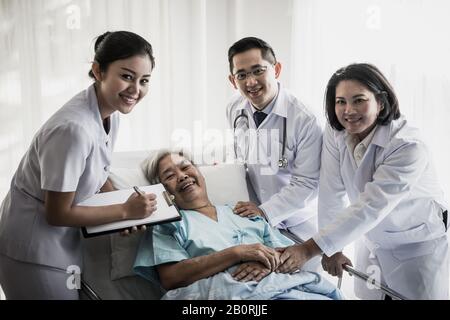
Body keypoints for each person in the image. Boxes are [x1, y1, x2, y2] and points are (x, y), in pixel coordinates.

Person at [0, 31, 158, 299]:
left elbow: (98, 171)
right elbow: (57, 213)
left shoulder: (110, 113)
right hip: (31, 249)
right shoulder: (73, 129)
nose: (135, 90)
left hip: (61, 244)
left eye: (144, 81)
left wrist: (123, 210)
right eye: (127, 76)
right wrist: (122, 210)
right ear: (98, 70)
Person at [275, 63, 449, 300]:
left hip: (416, 244)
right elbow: (331, 193)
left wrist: (309, 249)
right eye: (341, 102)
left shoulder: (408, 146)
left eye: (359, 100)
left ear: (381, 101)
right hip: (372, 237)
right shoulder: (337, 132)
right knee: (367, 294)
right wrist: (333, 248)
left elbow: (371, 205)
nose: (349, 110)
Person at [133, 150, 343, 300]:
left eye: (185, 167)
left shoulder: (243, 211)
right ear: (163, 190)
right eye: (170, 176)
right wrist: (237, 253)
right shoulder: (167, 225)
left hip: (283, 288)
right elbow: (171, 278)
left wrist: (266, 262)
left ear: (200, 172)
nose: (182, 176)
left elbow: (286, 254)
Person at [226, 37, 323, 243]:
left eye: (258, 71)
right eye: (241, 75)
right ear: (232, 80)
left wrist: (265, 212)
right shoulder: (234, 108)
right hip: (257, 221)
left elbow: (307, 182)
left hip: (300, 225)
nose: (250, 82)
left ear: (276, 69)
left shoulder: (305, 118)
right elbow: (241, 162)